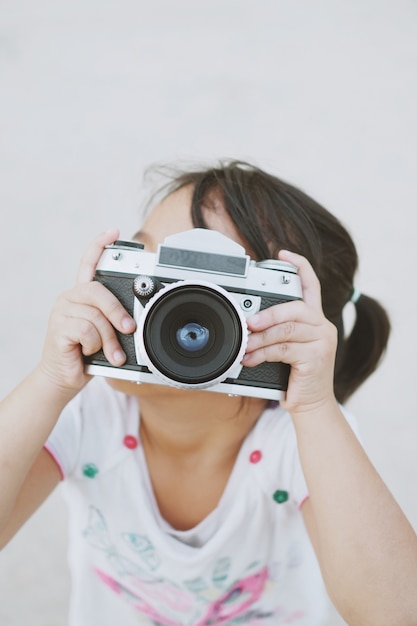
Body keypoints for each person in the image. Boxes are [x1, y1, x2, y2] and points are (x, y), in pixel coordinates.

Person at [1, 160, 417, 626]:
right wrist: (49, 381)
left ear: (280, 329)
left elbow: (395, 613)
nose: (154, 305)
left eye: (195, 293)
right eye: (146, 265)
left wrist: (316, 406)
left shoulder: (304, 439)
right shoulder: (87, 414)